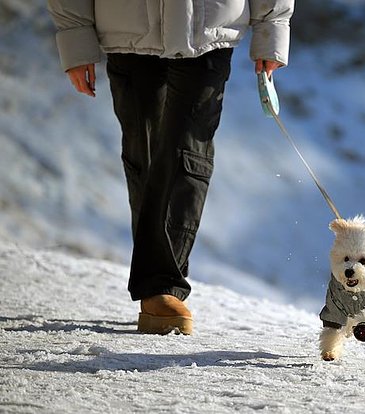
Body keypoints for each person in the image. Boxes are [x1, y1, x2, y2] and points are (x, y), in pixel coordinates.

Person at [47, 0, 295, 335]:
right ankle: (159, 283)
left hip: (210, 30)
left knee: (186, 154)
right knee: (145, 158)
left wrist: (272, 25)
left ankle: (162, 287)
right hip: (127, 28)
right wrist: (75, 35)